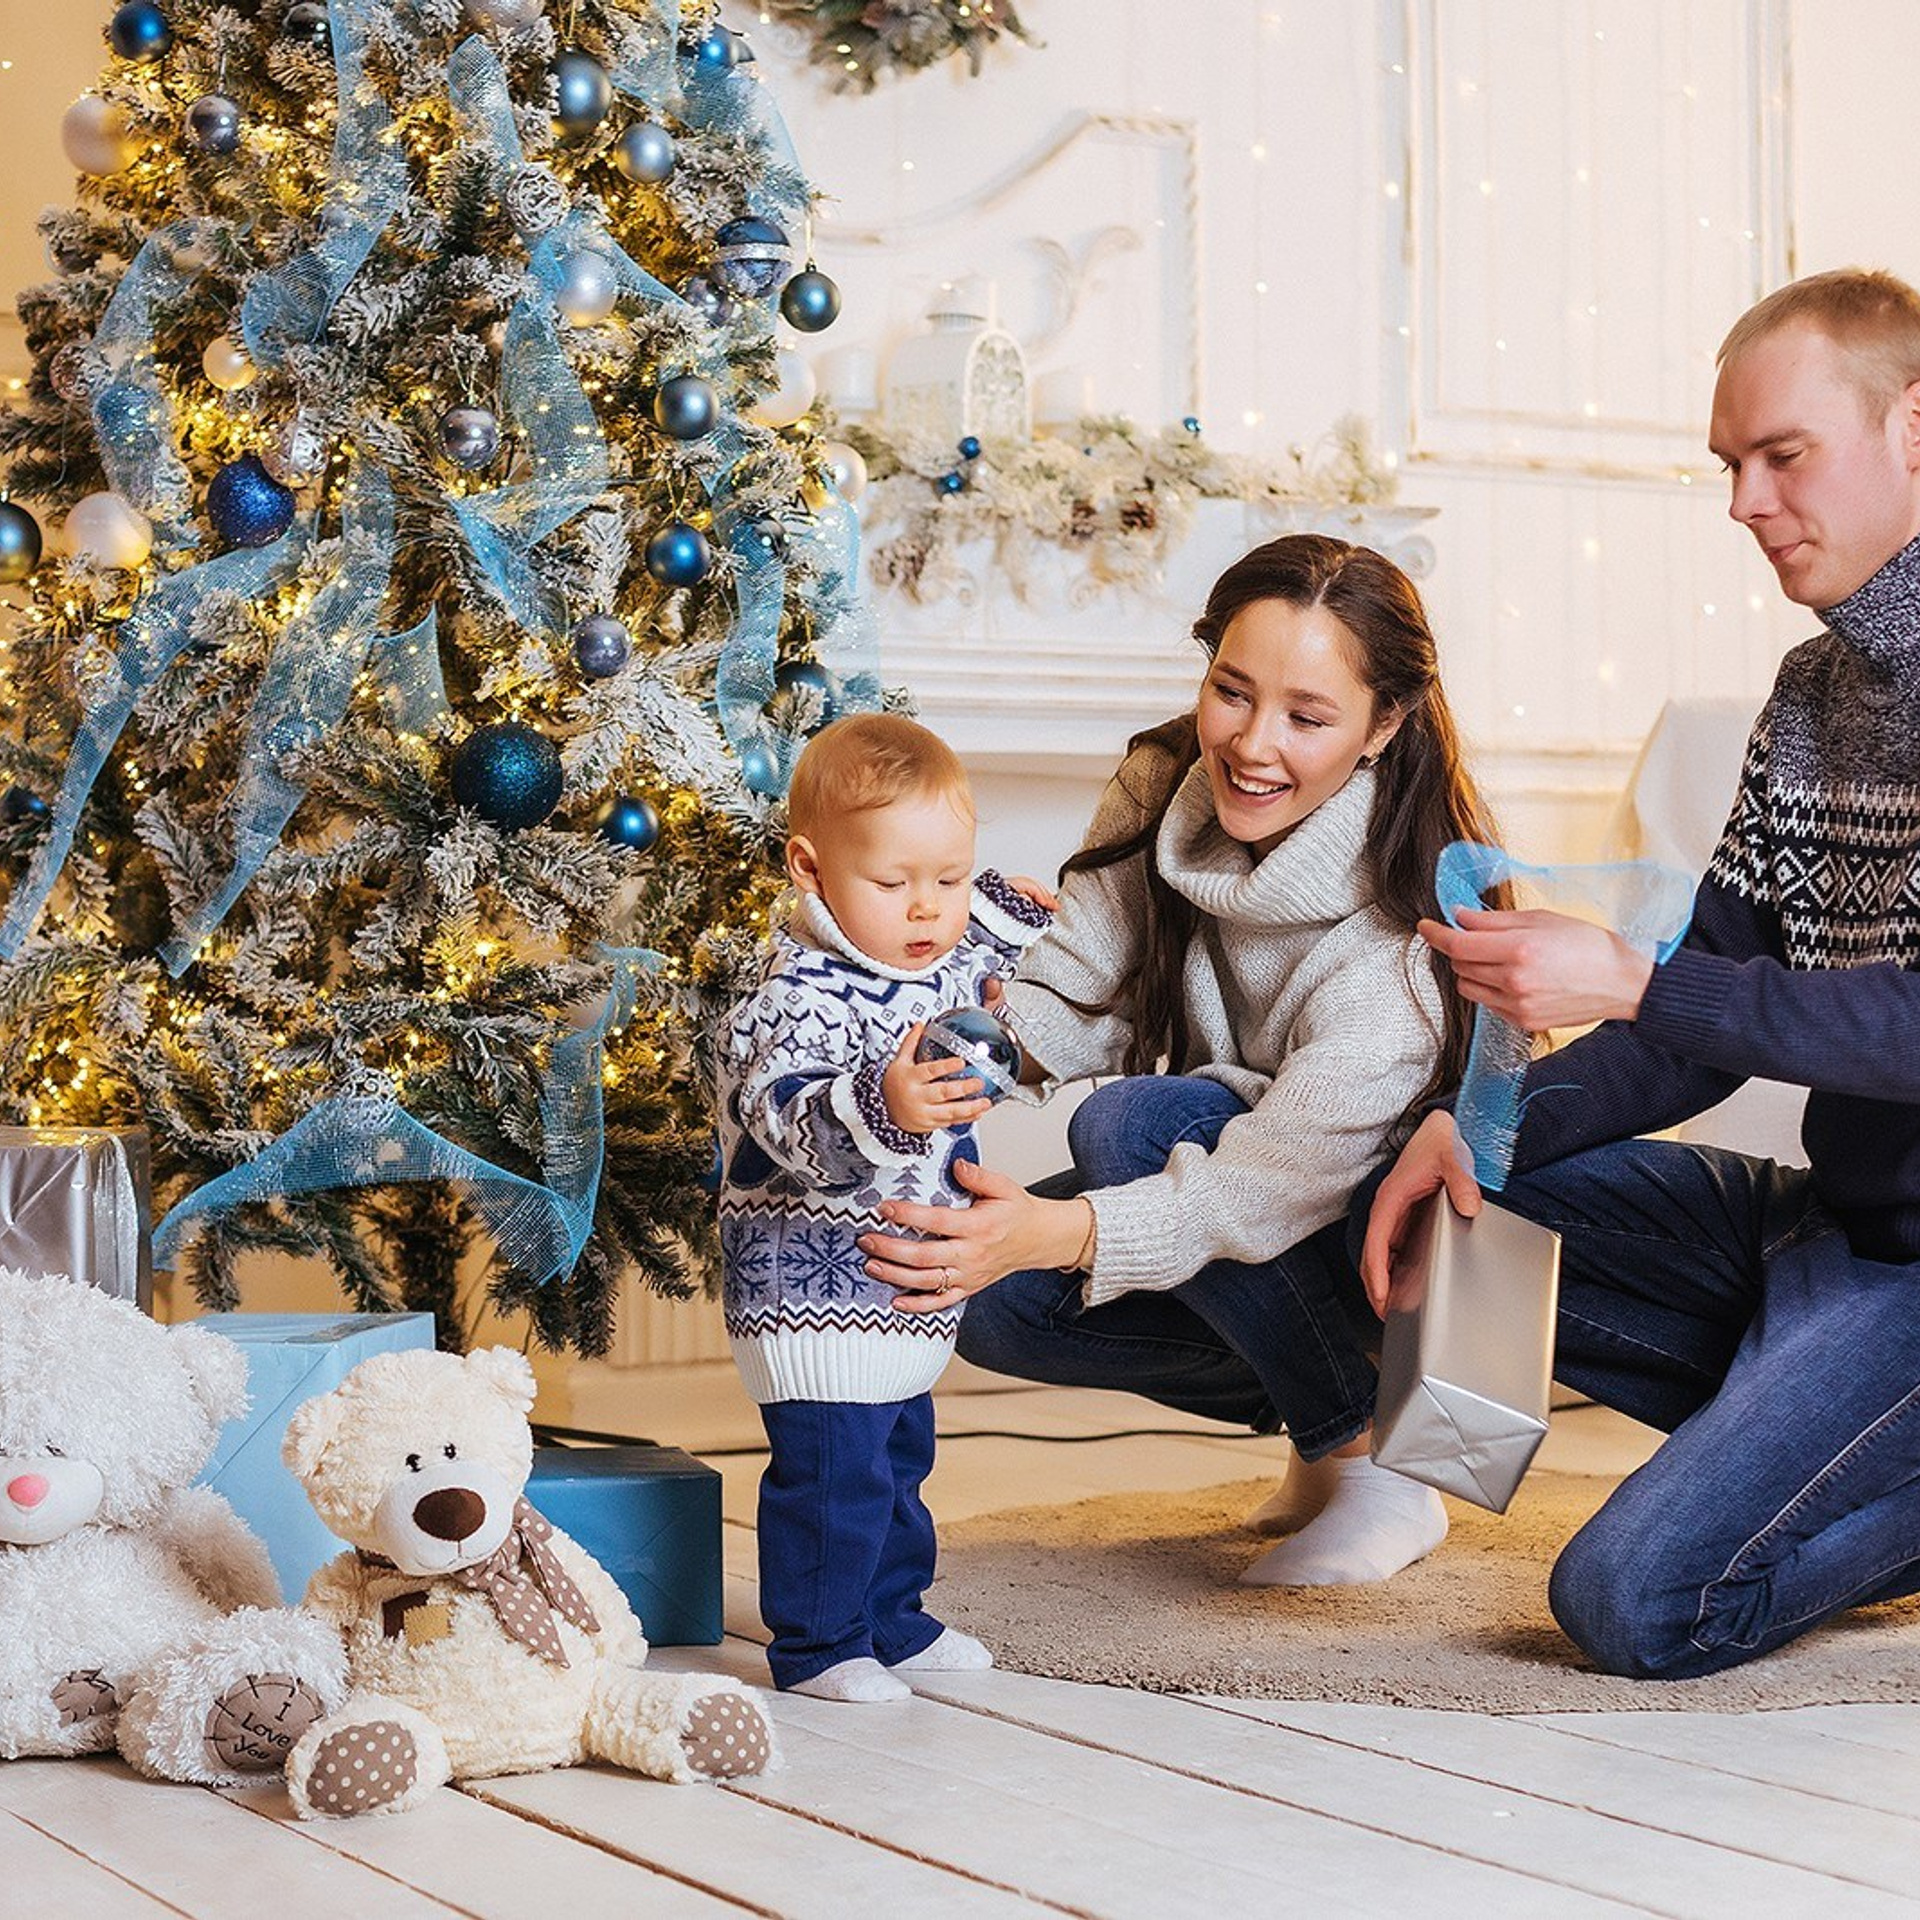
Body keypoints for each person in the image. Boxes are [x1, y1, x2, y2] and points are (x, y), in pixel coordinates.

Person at [1361, 266, 1920, 1677]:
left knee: (1635, 1599)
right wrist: (1481, 1128)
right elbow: (1702, 1026)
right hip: (1836, 1238)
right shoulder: (1809, 694)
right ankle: (1797, 1427)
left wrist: (1626, 978)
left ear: (1914, 428)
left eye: (1780, 457)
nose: (1742, 502)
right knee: (1451, 1181)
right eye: (1730, 465)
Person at [859, 534, 1499, 1585]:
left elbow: (1256, 1190)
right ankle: (1316, 1422)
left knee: (1131, 1129)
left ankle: (1373, 1459)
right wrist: (954, 1045)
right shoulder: (1167, 782)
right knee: (987, 1300)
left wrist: (1053, 1229)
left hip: (1386, 1260)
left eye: (1306, 717)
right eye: (1231, 692)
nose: (1251, 744)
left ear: (1385, 724)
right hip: (1259, 1205)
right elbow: (1076, 985)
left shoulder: (1399, 948)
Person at [715, 711, 1053, 1703]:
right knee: (835, 1476)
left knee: (902, 1458)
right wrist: (881, 1099)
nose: (926, 911)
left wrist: (1006, 904)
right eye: (894, 883)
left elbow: (978, 935)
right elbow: (783, 1120)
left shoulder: (929, 954)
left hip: (902, 1289)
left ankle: (893, 1619)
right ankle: (819, 1644)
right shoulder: (788, 994)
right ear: (812, 871)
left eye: (944, 880)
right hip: (808, 1289)